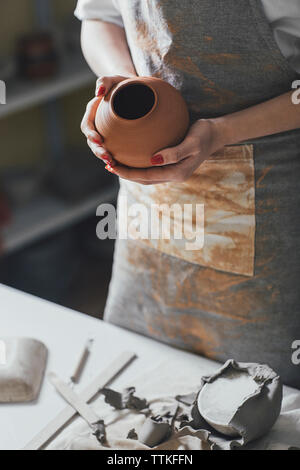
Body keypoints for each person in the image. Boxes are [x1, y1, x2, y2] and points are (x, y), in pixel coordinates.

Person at [75, 0, 300, 388]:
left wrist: (222, 132)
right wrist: (126, 90)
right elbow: (99, 17)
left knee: (256, 401)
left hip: (267, 205)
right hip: (152, 212)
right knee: (139, 383)